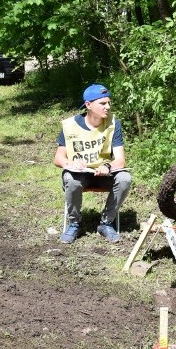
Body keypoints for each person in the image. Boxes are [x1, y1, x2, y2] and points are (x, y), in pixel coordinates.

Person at [52, 84, 132, 244]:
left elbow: (120, 160)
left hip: (104, 174)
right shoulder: (70, 126)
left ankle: (106, 222)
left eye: (109, 103)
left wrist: (108, 166)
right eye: (102, 103)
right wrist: (70, 163)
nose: (108, 107)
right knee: (71, 180)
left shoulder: (113, 124)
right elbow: (58, 158)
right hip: (80, 174)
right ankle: (74, 223)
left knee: (125, 179)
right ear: (88, 105)